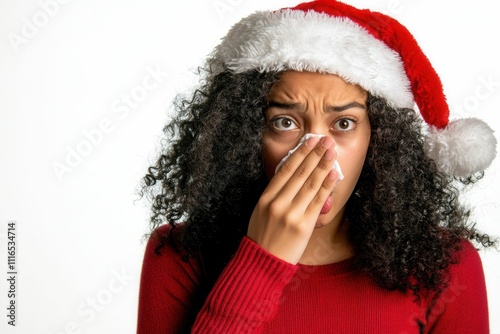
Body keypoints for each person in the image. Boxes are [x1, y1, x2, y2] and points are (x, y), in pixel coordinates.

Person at [137, 0, 497, 333]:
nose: (317, 155)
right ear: (245, 132)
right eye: (285, 122)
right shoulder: (178, 257)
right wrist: (261, 262)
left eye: (343, 124)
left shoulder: (445, 268)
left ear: (380, 139)